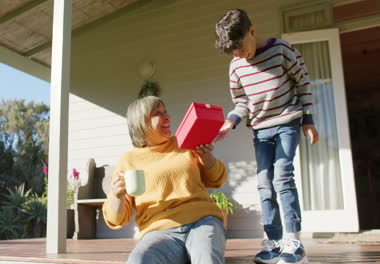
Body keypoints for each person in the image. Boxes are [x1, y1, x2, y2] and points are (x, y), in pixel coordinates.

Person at [214, 8, 319, 264]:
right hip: (261, 129)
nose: (240, 55)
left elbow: (302, 81)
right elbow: (241, 102)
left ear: (252, 31)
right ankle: (273, 242)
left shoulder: (281, 50)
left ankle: (294, 242)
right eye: (233, 53)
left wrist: (308, 120)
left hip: (287, 122)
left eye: (241, 48)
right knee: (264, 182)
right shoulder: (236, 66)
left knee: (282, 176)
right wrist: (231, 122)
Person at [102, 96, 228, 264]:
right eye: (158, 113)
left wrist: (207, 157)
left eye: (165, 112)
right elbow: (116, 219)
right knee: (138, 260)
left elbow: (217, 180)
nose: (167, 117)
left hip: (202, 221)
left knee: (206, 257)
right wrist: (118, 196)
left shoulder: (184, 142)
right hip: (160, 232)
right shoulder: (129, 160)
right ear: (142, 122)